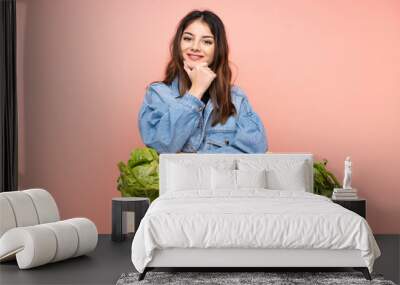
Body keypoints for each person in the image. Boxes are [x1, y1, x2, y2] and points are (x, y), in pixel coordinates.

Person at [138, 10, 268, 153]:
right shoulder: (158, 93)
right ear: (178, 43)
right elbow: (161, 146)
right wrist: (195, 92)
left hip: (221, 177)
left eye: (206, 41)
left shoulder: (236, 98)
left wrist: (193, 162)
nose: (195, 47)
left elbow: (254, 149)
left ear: (218, 49)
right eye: (188, 38)